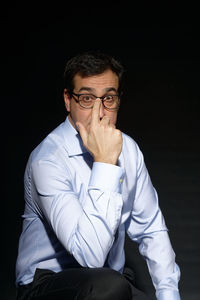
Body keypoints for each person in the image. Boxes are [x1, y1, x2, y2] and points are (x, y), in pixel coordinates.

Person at [16, 52, 181, 300]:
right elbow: (90, 256)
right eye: (86, 98)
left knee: (117, 286)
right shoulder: (47, 160)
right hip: (45, 285)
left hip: (110, 282)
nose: (99, 112)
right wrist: (106, 162)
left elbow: (152, 230)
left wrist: (169, 295)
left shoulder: (129, 150)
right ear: (67, 100)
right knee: (108, 285)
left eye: (108, 99)